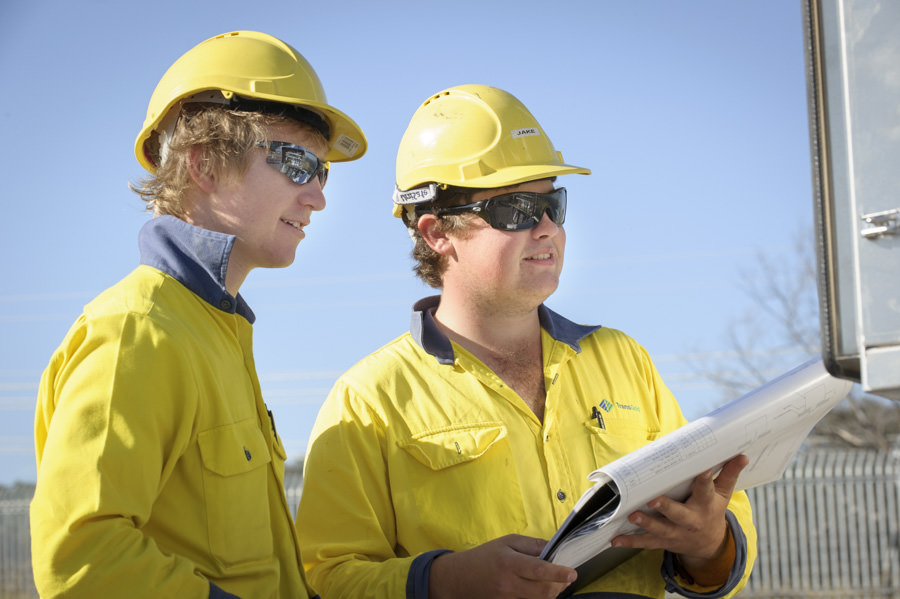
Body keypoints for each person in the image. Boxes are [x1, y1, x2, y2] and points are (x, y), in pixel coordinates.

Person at [296, 84, 757, 599]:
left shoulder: (625, 360)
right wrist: (444, 581)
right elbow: (327, 577)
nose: (546, 228)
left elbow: (718, 527)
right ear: (435, 233)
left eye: (552, 204)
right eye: (515, 209)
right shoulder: (370, 399)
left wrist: (711, 543)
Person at [30, 30, 366, 599]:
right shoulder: (137, 331)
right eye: (296, 163)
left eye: (323, 171)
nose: (318, 196)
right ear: (205, 164)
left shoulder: (215, 333)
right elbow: (82, 560)